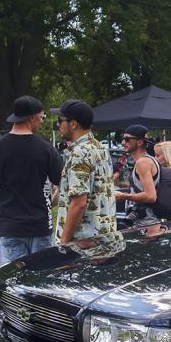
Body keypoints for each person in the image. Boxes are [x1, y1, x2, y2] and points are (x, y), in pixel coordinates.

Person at [0, 95, 63, 269]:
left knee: (10, 281)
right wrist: (51, 201)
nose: (41, 121)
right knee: (41, 281)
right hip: (40, 225)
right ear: (31, 118)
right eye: (41, 117)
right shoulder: (46, 148)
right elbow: (63, 185)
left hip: (8, 225)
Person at [51, 99, 116, 244]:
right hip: (104, 236)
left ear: (73, 124)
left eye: (60, 120)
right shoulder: (101, 148)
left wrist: (64, 243)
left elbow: (79, 203)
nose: (58, 125)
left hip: (82, 243)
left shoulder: (79, 153)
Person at [114, 124, 160, 225]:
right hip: (146, 222)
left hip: (146, 224)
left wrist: (124, 196)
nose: (122, 142)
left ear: (139, 142)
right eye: (123, 138)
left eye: (126, 139)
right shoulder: (148, 160)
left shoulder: (143, 162)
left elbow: (151, 196)